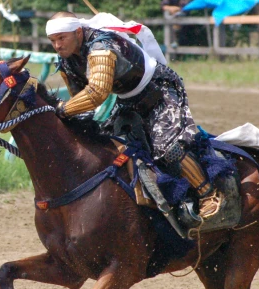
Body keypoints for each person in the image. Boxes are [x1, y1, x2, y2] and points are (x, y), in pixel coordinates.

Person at [45, 11, 220, 224]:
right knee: (107, 147)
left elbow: (96, 93)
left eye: (61, 38)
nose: (57, 45)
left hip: (160, 89)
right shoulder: (67, 61)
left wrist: (61, 110)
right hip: (128, 100)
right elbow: (79, 100)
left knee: (166, 147)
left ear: (78, 32)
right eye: (53, 40)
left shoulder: (102, 48)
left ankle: (208, 194)